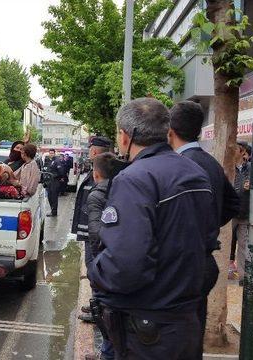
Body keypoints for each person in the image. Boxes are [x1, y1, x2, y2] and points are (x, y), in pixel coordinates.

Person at [88, 98, 218, 360]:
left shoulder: (135, 179)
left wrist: (95, 271)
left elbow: (125, 264)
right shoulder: (194, 171)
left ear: (125, 137)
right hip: (185, 317)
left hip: (148, 325)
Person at [168, 101, 240, 358]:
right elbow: (233, 203)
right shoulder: (211, 162)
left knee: (175, 336)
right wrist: (209, 224)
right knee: (192, 331)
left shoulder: (177, 165)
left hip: (180, 264)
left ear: (170, 131)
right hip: (203, 261)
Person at [72, 136, 111, 322]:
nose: (89, 152)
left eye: (90, 149)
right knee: (93, 269)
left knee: (95, 269)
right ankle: (97, 304)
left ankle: (99, 309)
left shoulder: (103, 171)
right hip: (90, 232)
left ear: (95, 151)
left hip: (94, 235)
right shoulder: (98, 168)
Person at [85, 152, 119, 360]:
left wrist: (98, 265)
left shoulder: (96, 195)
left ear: (96, 175)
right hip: (124, 259)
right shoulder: (127, 190)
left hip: (107, 261)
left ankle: (107, 354)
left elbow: (96, 233)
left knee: (106, 311)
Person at [230, 141, 251, 277]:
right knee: (226, 243)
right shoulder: (228, 166)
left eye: (236, 150)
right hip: (230, 212)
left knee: (243, 245)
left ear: (243, 152)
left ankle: (243, 275)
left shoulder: (251, 168)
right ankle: (227, 269)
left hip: (244, 211)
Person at [43, 149, 65, 216]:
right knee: (49, 197)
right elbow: (45, 170)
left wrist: (56, 176)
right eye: (50, 153)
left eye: (52, 153)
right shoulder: (48, 161)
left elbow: (61, 171)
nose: (51, 154)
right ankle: (52, 210)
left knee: (54, 197)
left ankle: (54, 212)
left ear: (54, 154)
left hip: (55, 181)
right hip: (49, 182)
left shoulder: (57, 161)